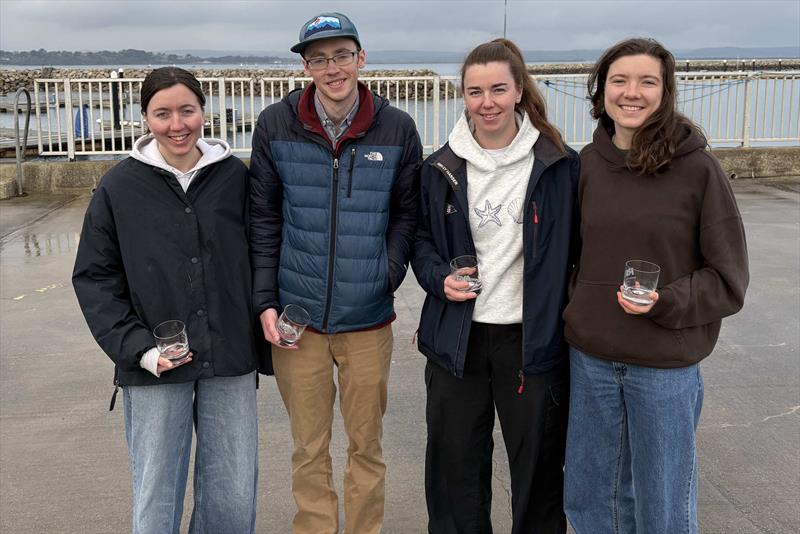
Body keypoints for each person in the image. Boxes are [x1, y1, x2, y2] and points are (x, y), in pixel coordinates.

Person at [562, 38, 749, 534]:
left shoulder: (699, 170)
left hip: (664, 366)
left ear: (666, 93)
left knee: (662, 505)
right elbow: (566, 258)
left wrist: (665, 301)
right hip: (591, 359)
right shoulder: (585, 166)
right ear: (600, 92)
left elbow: (728, 278)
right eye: (619, 81)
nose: (632, 92)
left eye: (648, 81)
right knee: (591, 497)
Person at [248, 12, 422, 534]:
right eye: (319, 58)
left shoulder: (397, 127)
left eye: (341, 55)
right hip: (297, 320)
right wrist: (265, 301)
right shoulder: (274, 124)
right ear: (306, 66)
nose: (332, 68)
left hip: (368, 320)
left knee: (366, 446)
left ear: (361, 59)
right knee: (308, 447)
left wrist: (383, 274)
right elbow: (263, 218)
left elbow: (406, 214)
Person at [72, 67, 259, 534]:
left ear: (203, 112)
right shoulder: (119, 186)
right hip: (155, 362)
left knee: (233, 493)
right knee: (156, 492)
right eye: (163, 113)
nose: (177, 124)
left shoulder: (234, 176)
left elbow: (262, 253)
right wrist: (140, 348)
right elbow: (94, 278)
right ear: (145, 118)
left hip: (230, 355)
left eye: (187, 111)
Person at [411, 38, 580, 534]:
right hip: (457, 340)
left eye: (498, 89)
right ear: (462, 95)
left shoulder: (559, 165)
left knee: (540, 475)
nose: (487, 102)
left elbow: (581, 248)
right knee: (454, 475)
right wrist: (439, 278)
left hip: (533, 342)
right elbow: (422, 242)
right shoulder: (440, 167)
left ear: (519, 90)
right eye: (475, 91)